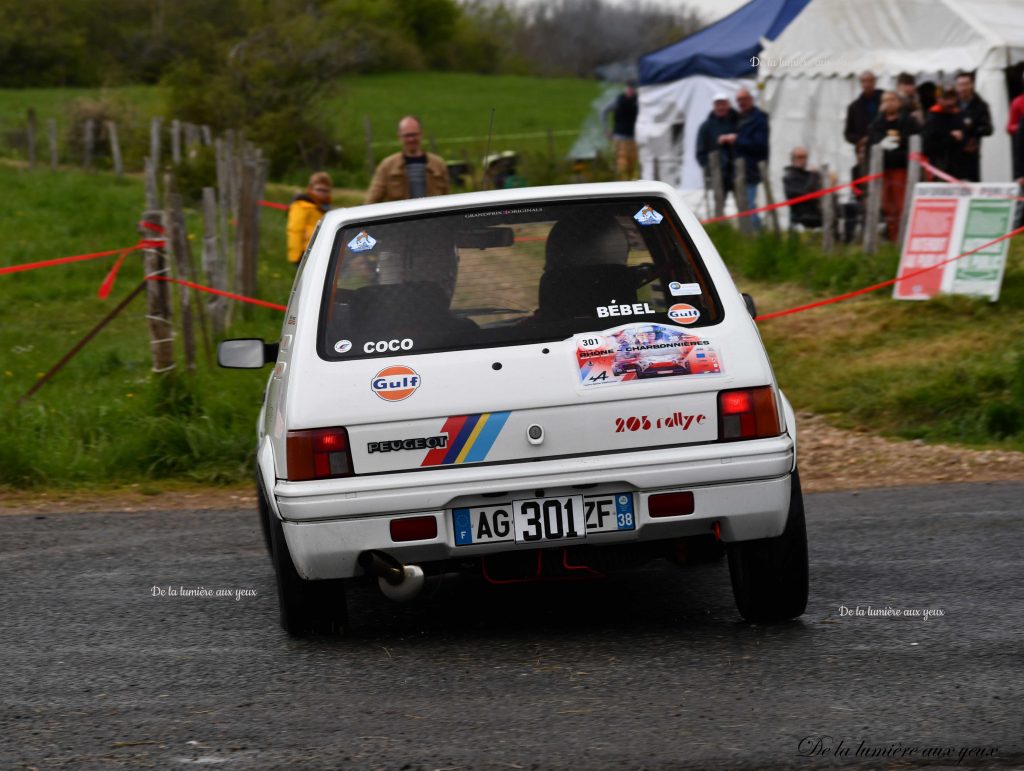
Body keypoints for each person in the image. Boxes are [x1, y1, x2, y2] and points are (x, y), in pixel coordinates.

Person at [868, 90, 919, 242]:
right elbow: (873, 140)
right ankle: (893, 237)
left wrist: (898, 144)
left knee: (901, 204)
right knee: (887, 206)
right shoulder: (877, 122)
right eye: (885, 100)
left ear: (899, 102)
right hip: (883, 169)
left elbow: (912, 142)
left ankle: (905, 237)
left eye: (892, 99)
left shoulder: (909, 121)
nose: (888, 103)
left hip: (902, 168)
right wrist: (881, 142)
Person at [366, 115, 449, 203]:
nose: (411, 139)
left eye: (414, 134)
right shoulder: (387, 166)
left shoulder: (438, 164)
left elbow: (447, 199)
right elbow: (372, 200)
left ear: (421, 134)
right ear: (399, 136)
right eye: (407, 135)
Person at [729, 87, 770, 229]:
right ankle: (750, 234)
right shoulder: (739, 118)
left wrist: (737, 140)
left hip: (752, 168)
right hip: (739, 169)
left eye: (744, 99)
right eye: (739, 100)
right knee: (743, 204)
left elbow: (761, 144)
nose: (741, 103)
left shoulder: (759, 118)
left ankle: (756, 235)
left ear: (750, 100)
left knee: (749, 204)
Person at [696, 93, 739, 203]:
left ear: (728, 105)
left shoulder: (738, 122)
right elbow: (700, 152)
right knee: (719, 204)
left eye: (723, 104)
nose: (721, 107)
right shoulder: (706, 127)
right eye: (718, 104)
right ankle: (719, 221)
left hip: (738, 172)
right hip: (718, 174)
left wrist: (734, 139)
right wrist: (711, 168)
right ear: (714, 106)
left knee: (743, 203)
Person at [286, 171, 331, 266]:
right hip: (304, 253)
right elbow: (295, 230)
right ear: (310, 189)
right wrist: (296, 256)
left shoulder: (323, 207)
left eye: (325, 191)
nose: (322, 193)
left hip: (320, 251)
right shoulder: (301, 205)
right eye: (319, 190)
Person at [954, 72, 992, 182]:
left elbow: (988, 128)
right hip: (952, 155)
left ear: (972, 85)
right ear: (956, 87)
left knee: (972, 184)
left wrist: (974, 134)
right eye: (960, 84)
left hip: (971, 155)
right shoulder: (951, 104)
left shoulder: (980, 105)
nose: (963, 88)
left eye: (966, 84)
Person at [921, 87, 966, 179]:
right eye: (946, 98)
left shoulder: (958, 114)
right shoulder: (932, 118)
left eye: (952, 98)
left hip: (958, 167)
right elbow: (928, 147)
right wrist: (951, 138)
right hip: (939, 167)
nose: (950, 102)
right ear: (938, 99)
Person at [603, 81, 639, 180]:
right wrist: (606, 128)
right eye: (629, 88)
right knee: (621, 165)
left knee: (632, 166)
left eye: (633, 88)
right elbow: (604, 111)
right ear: (626, 88)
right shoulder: (618, 100)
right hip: (620, 138)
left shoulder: (639, 101)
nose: (631, 90)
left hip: (634, 139)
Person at [782, 147, 823, 229]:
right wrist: (814, 176)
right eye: (799, 157)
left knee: (850, 208)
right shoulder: (790, 176)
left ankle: (846, 239)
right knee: (835, 213)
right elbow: (806, 194)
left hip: (818, 209)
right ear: (792, 159)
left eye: (804, 157)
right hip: (805, 213)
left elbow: (821, 190)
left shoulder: (808, 174)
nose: (802, 159)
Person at [844, 71, 884, 156]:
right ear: (860, 83)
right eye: (864, 81)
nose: (867, 84)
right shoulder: (854, 107)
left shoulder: (885, 100)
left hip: (884, 147)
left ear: (875, 82)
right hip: (864, 150)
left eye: (870, 81)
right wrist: (861, 140)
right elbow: (848, 134)